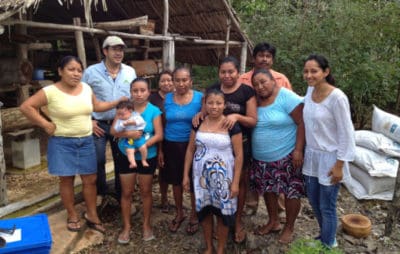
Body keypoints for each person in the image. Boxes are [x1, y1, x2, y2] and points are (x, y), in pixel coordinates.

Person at [20, 56, 127, 234]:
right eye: (71, 69)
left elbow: (97, 106)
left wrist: (116, 103)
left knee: (90, 180)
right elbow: (26, 107)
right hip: (62, 142)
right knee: (67, 180)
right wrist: (45, 124)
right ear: (60, 71)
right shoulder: (50, 91)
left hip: (86, 141)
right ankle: (72, 214)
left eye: (79, 70)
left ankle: (92, 214)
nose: (76, 73)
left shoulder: (86, 88)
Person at [194, 56, 257, 244]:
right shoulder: (213, 89)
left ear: (238, 72)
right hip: (214, 145)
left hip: (239, 142)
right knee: (212, 184)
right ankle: (215, 221)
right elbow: (204, 110)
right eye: (223, 72)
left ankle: (236, 221)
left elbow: (253, 120)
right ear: (218, 72)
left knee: (238, 183)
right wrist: (199, 114)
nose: (227, 75)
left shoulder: (246, 91)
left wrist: (236, 116)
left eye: (231, 71)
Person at [302, 54, 355, 248]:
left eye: (314, 71)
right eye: (306, 71)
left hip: (331, 159)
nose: (309, 75)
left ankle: (328, 245)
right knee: (314, 202)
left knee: (327, 206)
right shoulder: (310, 91)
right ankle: (325, 236)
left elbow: (346, 133)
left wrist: (340, 165)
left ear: (326, 72)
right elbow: (302, 105)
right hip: (313, 156)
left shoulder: (337, 98)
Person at [183, 89, 243, 254]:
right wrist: (185, 176)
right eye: (210, 103)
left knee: (222, 214)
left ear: (224, 105)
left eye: (218, 103)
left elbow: (239, 156)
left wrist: (236, 183)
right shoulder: (198, 122)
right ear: (205, 104)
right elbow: (190, 150)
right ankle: (209, 247)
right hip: (201, 177)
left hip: (224, 179)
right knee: (205, 211)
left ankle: (221, 249)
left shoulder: (231, 125)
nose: (214, 107)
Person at [250, 68, 305, 244]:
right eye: (256, 84)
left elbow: (302, 122)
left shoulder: (286, 97)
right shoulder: (256, 101)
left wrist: (298, 150)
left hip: (286, 154)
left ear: (273, 81)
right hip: (261, 158)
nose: (260, 86)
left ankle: (289, 227)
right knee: (268, 191)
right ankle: (273, 221)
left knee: (290, 192)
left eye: (263, 82)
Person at [239, 42, 292, 215]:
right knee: (249, 170)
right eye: (261, 55)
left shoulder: (281, 80)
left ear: (272, 60)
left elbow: (290, 108)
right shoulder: (243, 79)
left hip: (276, 133)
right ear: (254, 58)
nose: (264, 59)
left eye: (268, 56)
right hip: (249, 129)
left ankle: (280, 207)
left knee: (278, 170)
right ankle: (251, 203)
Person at [82, 35, 136, 204]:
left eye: (121, 49)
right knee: (98, 158)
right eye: (114, 49)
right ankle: (101, 192)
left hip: (121, 124)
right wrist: (88, 119)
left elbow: (133, 98)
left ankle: (122, 195)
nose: (118, 53)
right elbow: (82, 97)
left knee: (122, 157)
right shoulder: (91, 72)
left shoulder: (129, 71)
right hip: (98, 123)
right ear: (105, 51)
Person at [110, 78, 163, 244]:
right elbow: (113, 131)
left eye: (142, 90)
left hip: (148, 155)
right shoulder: (124, 109)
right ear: (130, 92)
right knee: (126, 193)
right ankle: (126, 226)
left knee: (146, 192)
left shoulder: (154, 111)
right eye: (135, 90)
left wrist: (143, 145)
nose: (139, 94)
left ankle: (146, 225)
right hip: (125, 155)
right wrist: (128, 135)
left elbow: (159, 135)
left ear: (149, 92)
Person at [160, 67, 203, 234]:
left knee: (193, 181)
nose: (181, 83)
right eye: (177, 80)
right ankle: (179, 212)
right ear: (173, 82)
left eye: (184, 80)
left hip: (193, 146)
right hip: (171, 144)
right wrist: (161, 150)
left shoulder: (200, 98)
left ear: (190, 81)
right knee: (176, 182)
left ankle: (194, 213)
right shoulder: (168, 99)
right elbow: (163, 124)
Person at [149, 70, 174, 213]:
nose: (167, 83)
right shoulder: (152, 98)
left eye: (170, 80)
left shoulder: (177, 97)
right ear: (158, 83)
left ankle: (177, 198)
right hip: (157, 138)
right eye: (163, 80)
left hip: (174, 138)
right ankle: (164, 198)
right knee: (162, 170)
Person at [114, 100, 148, 168]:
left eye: (122, 114)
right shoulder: (120, 121)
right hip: (129, 139)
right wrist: (123, 125)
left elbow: (143, 123)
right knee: (129, 150)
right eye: (118, 114)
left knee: (143, 148)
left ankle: (144, 160)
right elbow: (116, 129)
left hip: (139, 138)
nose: (120, 116)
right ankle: (132, 163)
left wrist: (134, 122)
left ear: (130, 111)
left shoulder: (136, 116)